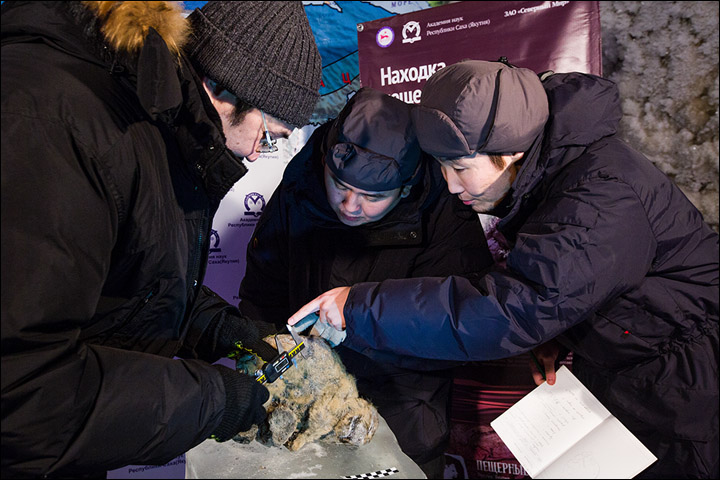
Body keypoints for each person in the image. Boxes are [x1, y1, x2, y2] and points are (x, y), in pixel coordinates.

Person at [289, 59, 719, 478]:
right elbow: (567, 285)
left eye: (459, 168)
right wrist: (560, 330)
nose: (451, 185)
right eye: (441, 166)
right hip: (641, 383)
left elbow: (509, 309)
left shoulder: (599, 198)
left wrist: (360, 307)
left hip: (693, 397)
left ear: (511, 152)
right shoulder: (560, 173)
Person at [1, 1, 321, 477]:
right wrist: (212, 400)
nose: (259, 155)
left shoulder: (154, 128)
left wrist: (215, 326)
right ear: (222, 89)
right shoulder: (59, 120)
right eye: (269, 135)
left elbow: (124, 282)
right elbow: (22, 390)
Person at [237, 86, 494, 478]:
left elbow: (462, 322)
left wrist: (362, 322)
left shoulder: (441, 210)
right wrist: (269, 362)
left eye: (372, 195)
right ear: (326, 160)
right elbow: (263, 289)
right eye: (341, 185)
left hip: (404, 415)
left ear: (405, 188)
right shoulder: (300, 188)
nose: (350, 206)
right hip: (307, 414)